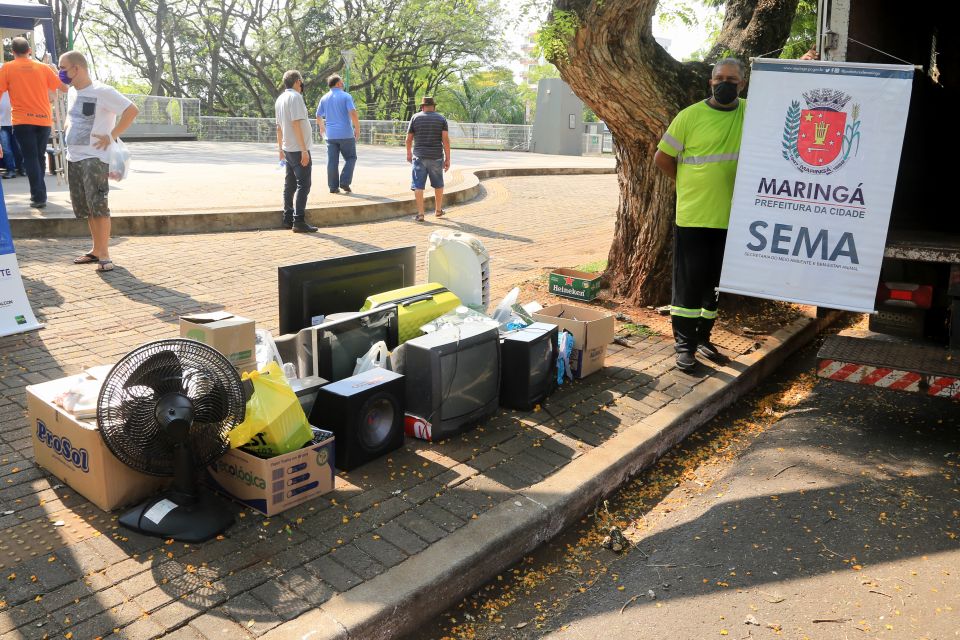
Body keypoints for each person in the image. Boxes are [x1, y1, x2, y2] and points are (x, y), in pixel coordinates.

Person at [653, 57, 747, 372]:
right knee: (689, 285)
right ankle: (684, 347)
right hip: (693, 216)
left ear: (742, 84)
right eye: (719, 78)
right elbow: (662, 158)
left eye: (732, 80)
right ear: (710, 82)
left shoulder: (751, 114)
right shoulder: (689, 116)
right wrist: (688, 183)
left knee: (715, 287)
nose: (724, 84)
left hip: (733, 219)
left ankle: (703, 339)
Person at [58, 51, 139, 272]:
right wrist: (67, 126)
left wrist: (111, 135)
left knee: (99, 205)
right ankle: (96, 250)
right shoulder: (73, 92)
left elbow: (131, 110)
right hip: (74, 157)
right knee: (87, 208)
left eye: (63, 68)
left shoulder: (103, 91)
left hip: (95, 158)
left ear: (77, 68)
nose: (60, 73)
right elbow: (72, 116)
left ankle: (105, 254)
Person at [0, 37, 67, 208]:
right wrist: (56, 70)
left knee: (30, 158)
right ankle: (39, 192)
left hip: (22, 120)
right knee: (39, 155)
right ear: (29, 50)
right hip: (43, 120)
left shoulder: (7, 68)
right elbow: (64, 87)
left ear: (13, 52)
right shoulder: (43, 68)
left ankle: (38, 196)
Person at [275, 70, 317, 232]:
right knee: (304, 184)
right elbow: (296, 124)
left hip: (287, 148)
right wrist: (304, 150)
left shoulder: (280, 99)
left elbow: (278, 127)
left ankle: (287, 217)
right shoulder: (296, 98)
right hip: (298, 149)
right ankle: (298, 221)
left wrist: (280, 149)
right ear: (298, 81)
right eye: (302, 82)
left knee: (290, 184)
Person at [405, 96, 451, 221]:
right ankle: (438, 211)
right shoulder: (441, 119)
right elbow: (445, 140)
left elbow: (408, 139)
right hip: (436, 157)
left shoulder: (415, 117)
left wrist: (409, 153)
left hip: (419, 157)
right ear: (434, 106)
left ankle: (420, 214)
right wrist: (448, 158)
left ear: (422, 106)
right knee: (438, 184)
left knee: (418, 185)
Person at [315, 74, 360, 194]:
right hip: (346, 134)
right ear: (338, 84)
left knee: (332, 161)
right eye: (342, 81)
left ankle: (333, 187)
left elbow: (318, 115)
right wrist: (357, 129)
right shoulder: (346, 96)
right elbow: (353, 113)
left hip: (331, 136)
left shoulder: (324, 98)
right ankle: (345, 181)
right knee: (351, 158)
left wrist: (322, 128)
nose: (343, 83)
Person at [0, 91, 25, 179]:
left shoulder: (14, 89)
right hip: (2, 125)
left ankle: (22, 168)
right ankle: (10, 170)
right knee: (6, 150)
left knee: (19, 147)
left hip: (16, 123)